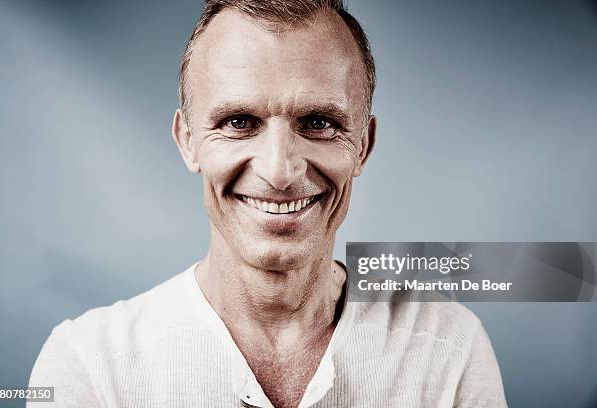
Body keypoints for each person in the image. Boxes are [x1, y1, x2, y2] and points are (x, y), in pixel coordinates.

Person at [29, 1, 507, 407]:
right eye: (239, 122)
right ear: (187, 140)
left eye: (318, 122)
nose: (280, 171)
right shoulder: (90, 366)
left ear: (363, 144)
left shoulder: (450, 349)